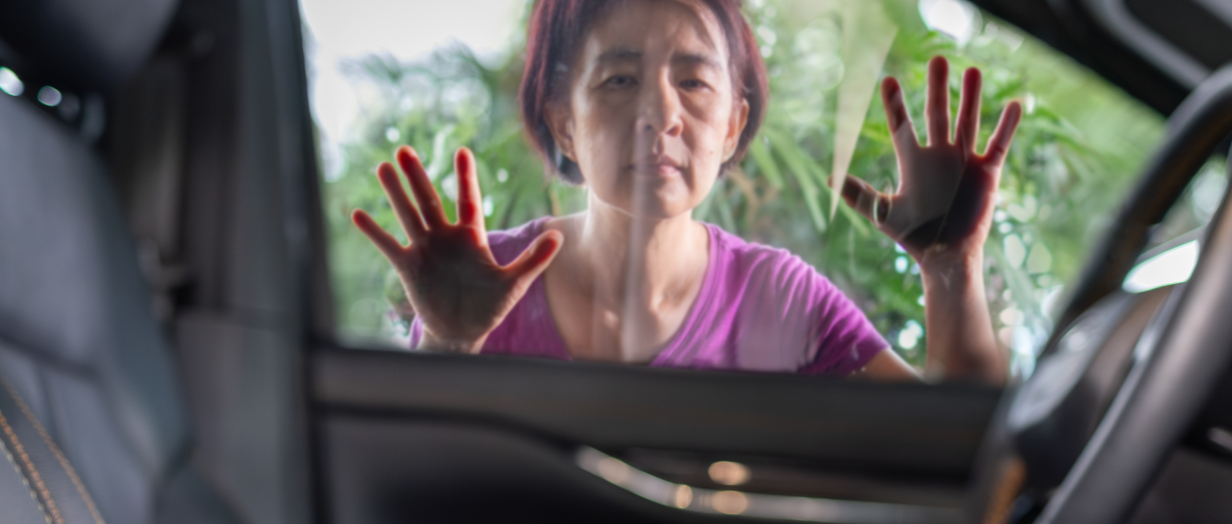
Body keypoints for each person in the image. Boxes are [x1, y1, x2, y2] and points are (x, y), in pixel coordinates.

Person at [349, 0, 1022, 383]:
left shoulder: (781, 300)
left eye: (695, 81)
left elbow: (946, 449)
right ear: (564, 122)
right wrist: (446, 346)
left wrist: (951, 268)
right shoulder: (482, 289)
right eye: (619, 79)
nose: (660, 114)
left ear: (733, 125)